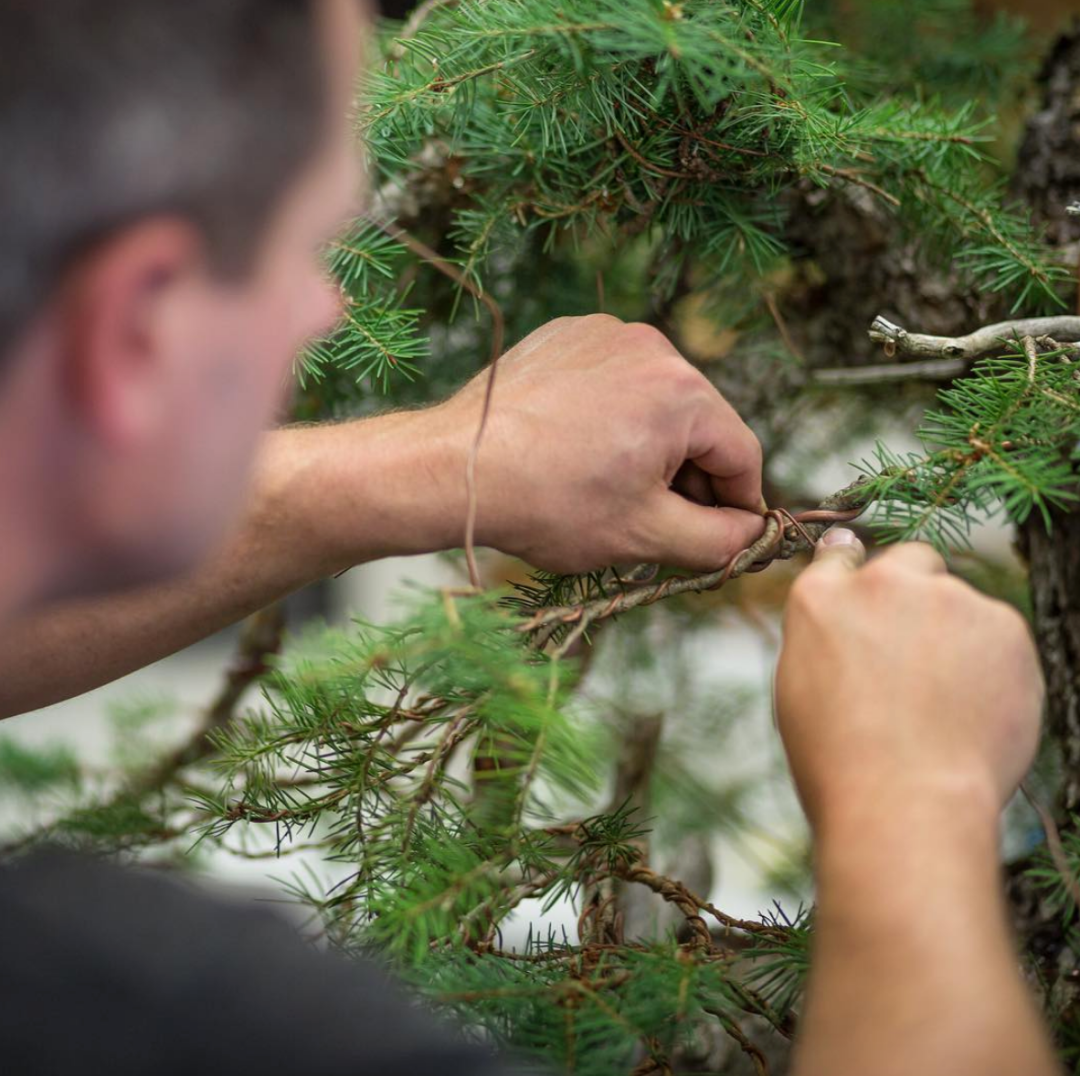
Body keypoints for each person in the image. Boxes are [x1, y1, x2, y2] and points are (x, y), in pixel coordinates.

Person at [0, 1, 1059, 1074]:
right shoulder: (150, 1016)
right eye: (308, 243)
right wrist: (914, 800)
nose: (327, 308)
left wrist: (442, 461)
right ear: (135, 319)